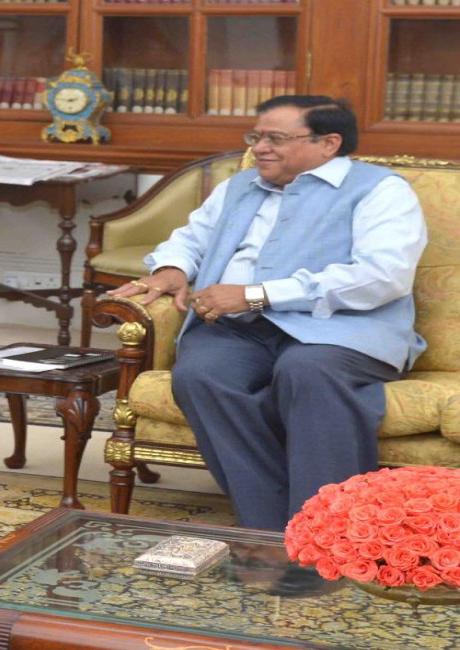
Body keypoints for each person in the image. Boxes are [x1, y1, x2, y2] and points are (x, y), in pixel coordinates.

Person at [109, 95, 427, 532]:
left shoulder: (380, 190)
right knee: (200, 375)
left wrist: (258, 295)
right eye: (256, 137)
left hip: (341, 329)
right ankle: (272, 531)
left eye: (275, 138)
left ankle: (327, 533)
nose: (259, 148)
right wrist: (171, 269)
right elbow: (191, 238)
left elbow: (382, 276)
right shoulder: (239, 186)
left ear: (328, 143)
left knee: (307, 371)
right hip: (240, 330)